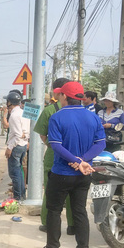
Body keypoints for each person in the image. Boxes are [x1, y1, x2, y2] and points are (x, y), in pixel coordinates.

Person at [36, 81, 105, 248]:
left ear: (64, 96)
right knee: (80, 211)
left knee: (54, 210)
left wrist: (75, 161)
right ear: (81, 97)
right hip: (84, 174)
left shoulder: (57, 117)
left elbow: (56, 146)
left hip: (61, 172)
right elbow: (101, 143)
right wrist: (83, 160)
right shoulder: (93, 117)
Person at [34, 78, 74, 234]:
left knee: (51, 190)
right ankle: (73, 225)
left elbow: (42, 135)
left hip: (54, 154)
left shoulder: (49, 110)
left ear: (58, 92)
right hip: (75, 154)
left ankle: (47, 224)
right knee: (73, 192)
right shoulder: (81, 111)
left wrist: (51, 145)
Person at [4, 89, 30, 201]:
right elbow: (25, 132)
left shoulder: (14, 115)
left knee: (14, 173)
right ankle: (22, 195)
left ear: (10, 102)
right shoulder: (23, 112)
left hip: (16, 146)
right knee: (19, 172)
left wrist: (10, 148)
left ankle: (18, 197)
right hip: (23, 145)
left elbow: (17, 134)